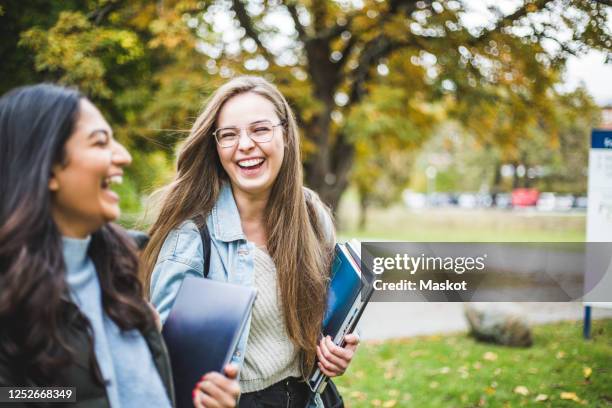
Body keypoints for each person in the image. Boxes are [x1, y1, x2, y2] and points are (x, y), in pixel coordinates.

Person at [0, 84, 239, 408]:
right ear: (46, 166)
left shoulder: (121, 271)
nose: (123, 156)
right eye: (100, 142)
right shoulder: (10, 299)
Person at [142, 76, 359, 408]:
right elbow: (166, 369)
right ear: (215, 148)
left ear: (285, 135)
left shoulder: (311, 214)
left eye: (260, 129)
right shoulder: (191, 237)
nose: (244, 144)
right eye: (229, 135)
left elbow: (322, 318)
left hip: (312, 399)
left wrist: (334, 351)